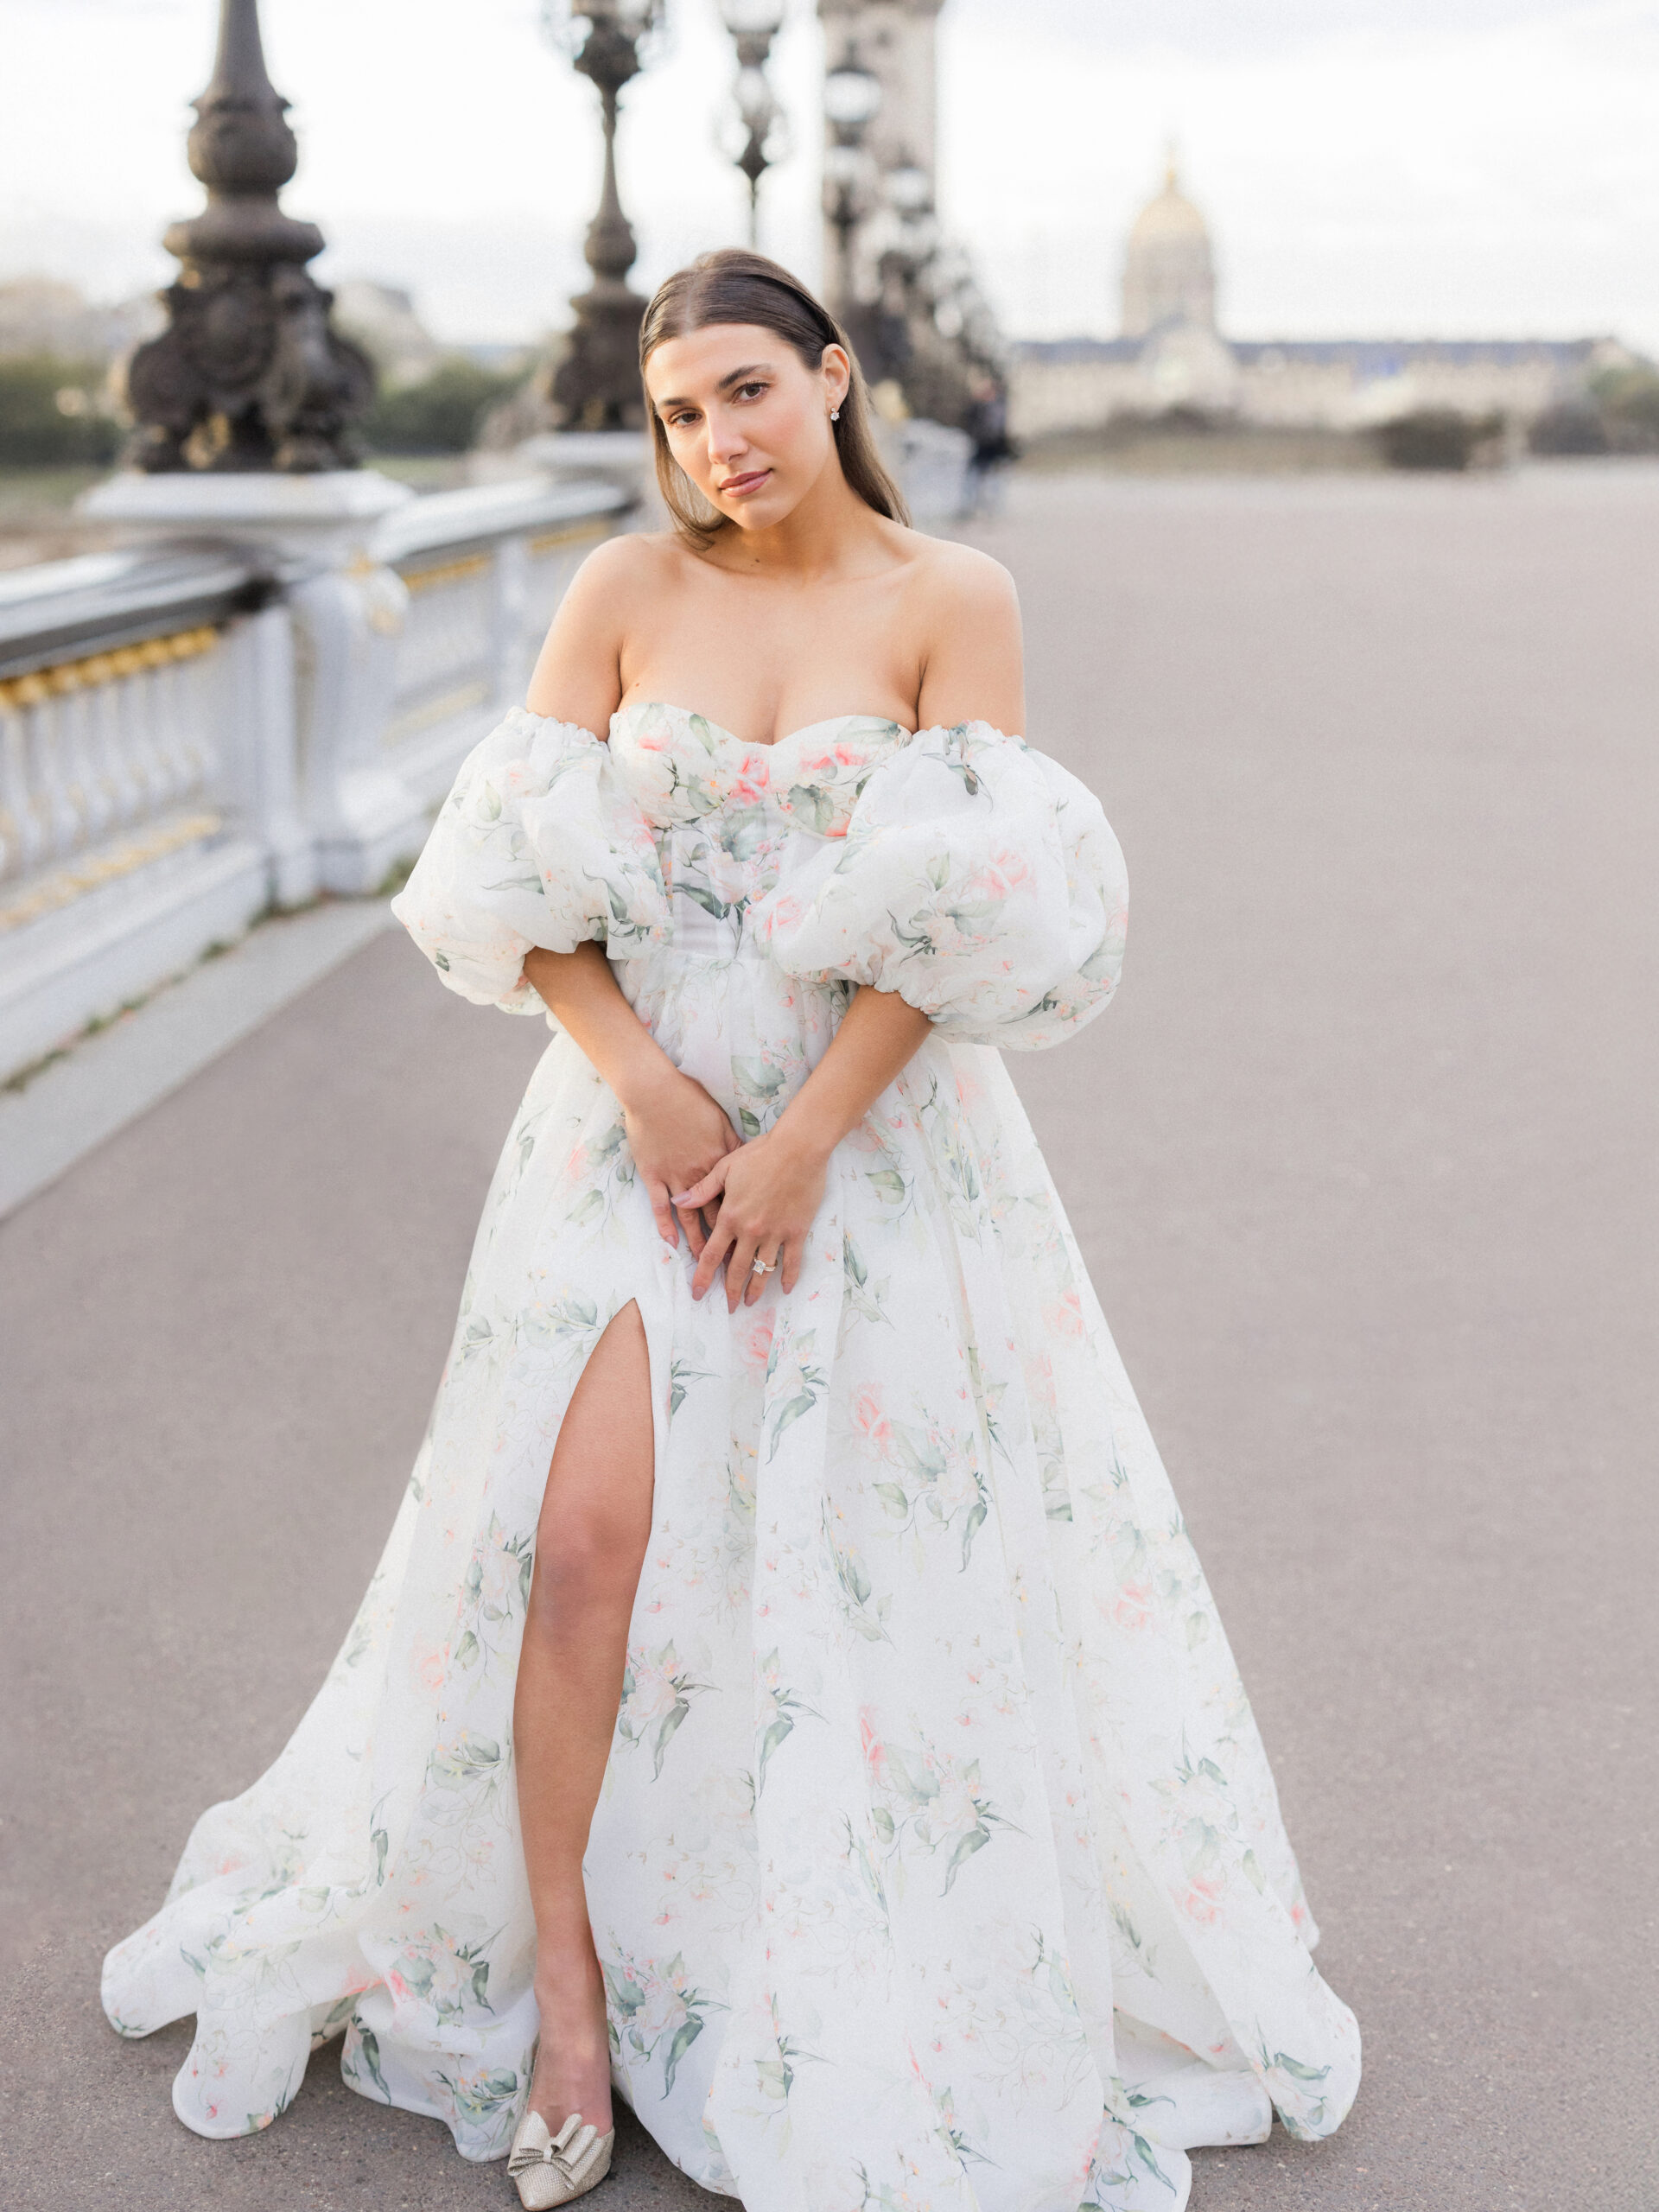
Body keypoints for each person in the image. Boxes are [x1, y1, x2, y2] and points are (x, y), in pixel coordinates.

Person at [102, 250, 1359, 2212]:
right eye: (683, 410)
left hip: (871, 1140)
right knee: (580, 1546)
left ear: (838, 377)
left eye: (750, 392)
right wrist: (650, 1083)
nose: (718, 441)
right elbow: (513, 882)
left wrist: (798, 1148)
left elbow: (967, 920)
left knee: (864, 1566)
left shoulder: (954, 601)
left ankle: (829, 1942)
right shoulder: (621, 588)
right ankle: (574, 1997)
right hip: (624, 1133)